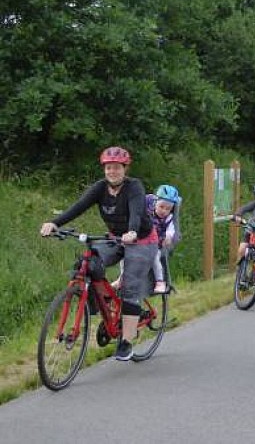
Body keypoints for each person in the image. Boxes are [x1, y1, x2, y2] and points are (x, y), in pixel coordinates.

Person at [40, 146, 159, 361]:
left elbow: (136, 210)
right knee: (87, 264)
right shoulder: (100, 188)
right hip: (115, 238)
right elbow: (78, 207)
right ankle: (97, 305)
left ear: (124, 168)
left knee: (130, 288)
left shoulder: (134, 187)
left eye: (116, 167)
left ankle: (126, 342)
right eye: (108, 167)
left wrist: (132, 230)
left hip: (140, 240)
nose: (112, 171)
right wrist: (54, 223)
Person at [146, 184, 182, 293]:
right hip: (142, 241)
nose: (164, 211)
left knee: (155, 256)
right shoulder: (148, 210)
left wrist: (168, 236)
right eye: (161, 207)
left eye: (168, 209)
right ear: (156, 202)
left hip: (156, 243)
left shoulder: (168, 218)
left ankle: (160, 281)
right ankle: (122, 279)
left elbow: (171, 230)